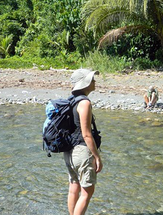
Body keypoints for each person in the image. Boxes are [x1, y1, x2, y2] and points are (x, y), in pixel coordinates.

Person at [64, 69, 103, 215]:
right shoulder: (84, 103)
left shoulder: (70, 100)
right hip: (82, 152)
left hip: (69, 152)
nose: (94, 82)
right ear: (84, 83)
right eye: (92, 80)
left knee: (74, 188)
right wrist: (97, 156)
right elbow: (86, 134)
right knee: (87, 192)